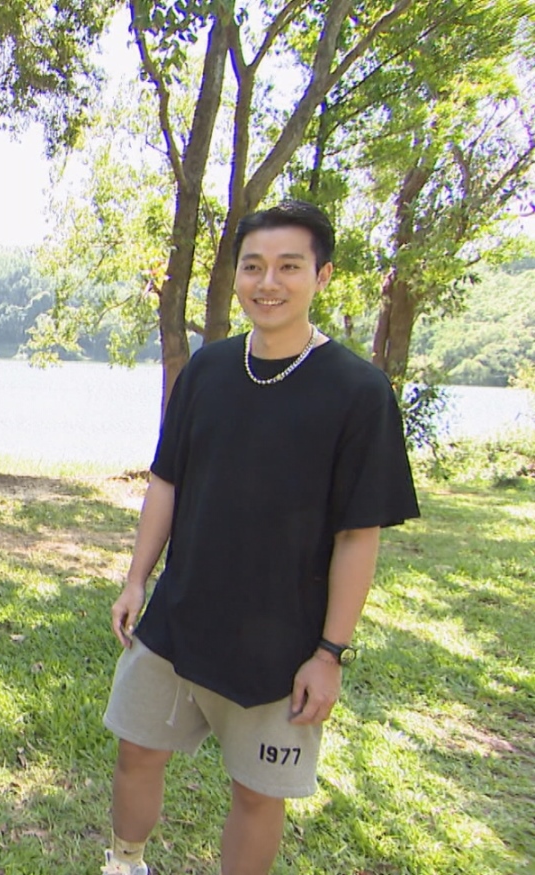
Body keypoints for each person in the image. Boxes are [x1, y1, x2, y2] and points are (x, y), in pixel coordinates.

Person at [101, 200, 420, 875]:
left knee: (256, 792)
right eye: (252, 266)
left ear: (321, 276)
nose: (266, 282)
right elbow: (166, 481)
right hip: (179, 616)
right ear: (237, 274)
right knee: (135, 749)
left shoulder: (357, 391)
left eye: (287, 266)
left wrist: (329, 652)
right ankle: (124, 862)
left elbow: (357, 535)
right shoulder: (207, 372)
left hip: (282, 643)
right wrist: (136, 579)